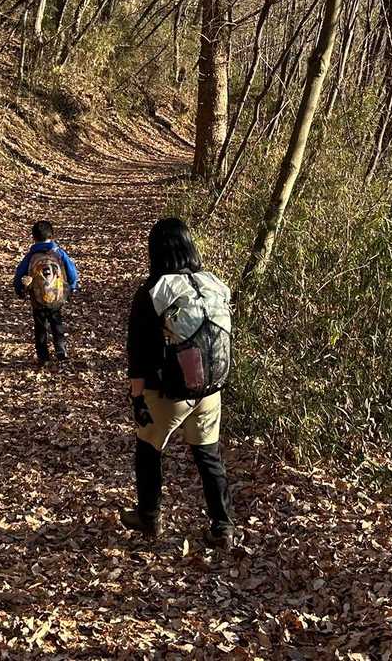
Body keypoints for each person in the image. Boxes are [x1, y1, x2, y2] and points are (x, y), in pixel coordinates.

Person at [120, 216, 237, 549]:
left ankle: (149, 516)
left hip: (167, 392)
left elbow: (138, 353)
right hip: (210, 389)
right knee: (209, 456)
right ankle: (223, 527)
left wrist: (137, 399)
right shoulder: (213, 283)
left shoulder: (153, 291)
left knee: (148, 450)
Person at [14, 220, 79, 365]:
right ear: (52, 235)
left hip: (37, 298)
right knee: (56, 323)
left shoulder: (31, 256)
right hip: (56, 296)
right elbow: (72, 272)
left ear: (33, 237)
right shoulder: (59, 253)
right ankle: (61, 350)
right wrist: (72, 287)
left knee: (40, 327)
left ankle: (43, 356)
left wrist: (19, 290)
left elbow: (19, 274)